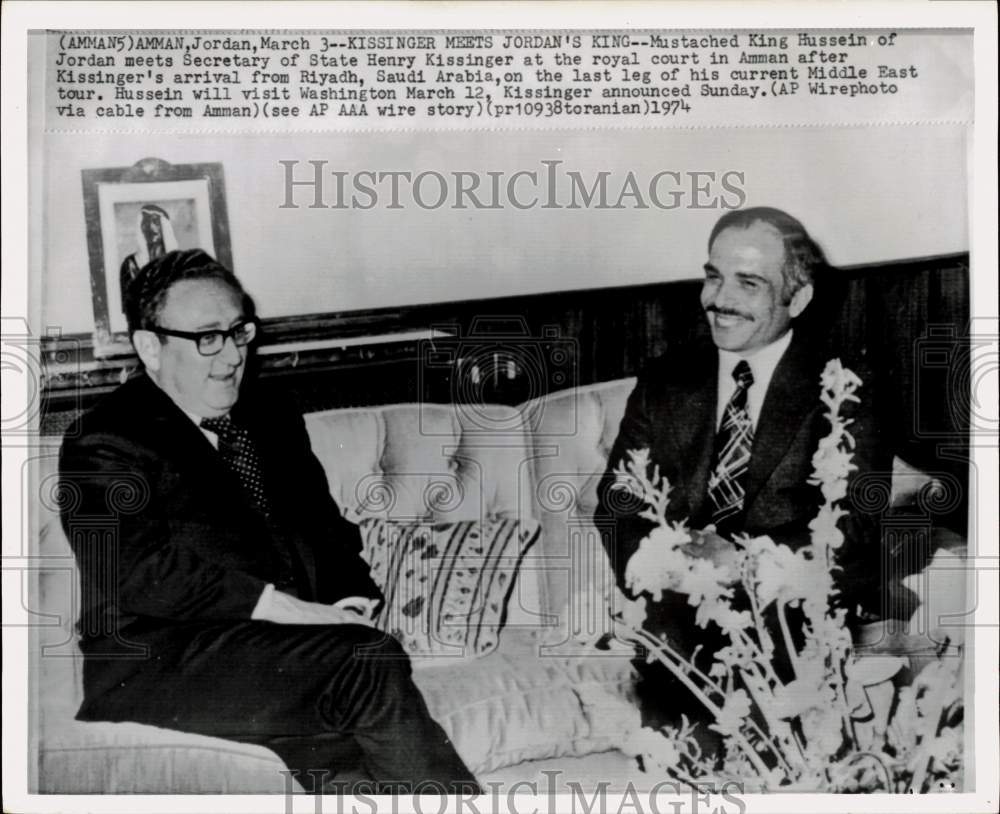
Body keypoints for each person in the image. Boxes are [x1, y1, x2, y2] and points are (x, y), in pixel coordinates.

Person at [59, 249, 479, 795]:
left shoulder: (269, 413)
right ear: (149, 347)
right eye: (207, 337)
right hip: (160, 665)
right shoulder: (104, 439)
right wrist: (284, 608)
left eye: (239, 332)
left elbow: (326, 528)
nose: (232, 355)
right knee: (365, 660)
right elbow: (138, 571)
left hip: (279, 658)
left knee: (356, 758)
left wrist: (350, 597)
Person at [595, 207, 891, 735]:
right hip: (675, 606)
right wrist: (665, 566)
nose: (718, 300)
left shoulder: (844, 385)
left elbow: (856, 528)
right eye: (713, 277)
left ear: (796, 299)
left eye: (748, 283)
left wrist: (743, 564)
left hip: (790, 605)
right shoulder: (667, 380)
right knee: (673, 649)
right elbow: (618, 503)